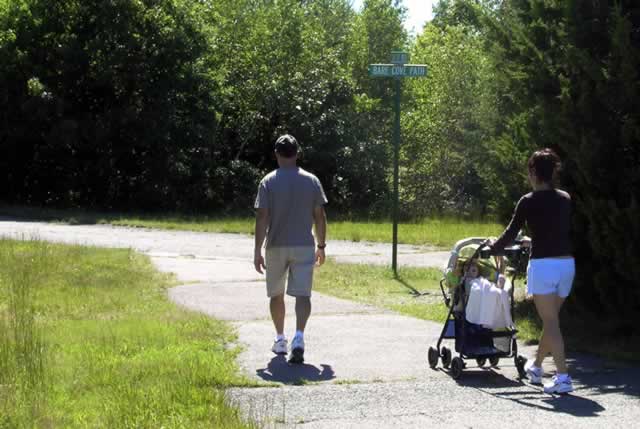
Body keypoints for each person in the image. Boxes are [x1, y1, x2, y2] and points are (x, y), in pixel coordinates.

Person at [490, 148, 575, 394]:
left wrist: (493, 247)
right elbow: (553, 231)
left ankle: (563, 377)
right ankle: (536, 367)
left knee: (550, 323)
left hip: (544, 266)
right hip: (566, 265)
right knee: (552, 322)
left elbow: (510, 232)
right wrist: (532, 241)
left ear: (533, 172)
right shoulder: (565, 198)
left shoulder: (527, 201)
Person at [253, 134, 328, 364]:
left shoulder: (268, 181)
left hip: (276, 245)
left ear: (276, 154)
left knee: (276, 294)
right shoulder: (312, 180)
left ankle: (280, 338)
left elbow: (262, 217)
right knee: (303, 294)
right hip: (304, 245)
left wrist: (257, 250)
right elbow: (320, 216)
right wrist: (321, 245)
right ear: (297, 153)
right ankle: (299, 337)